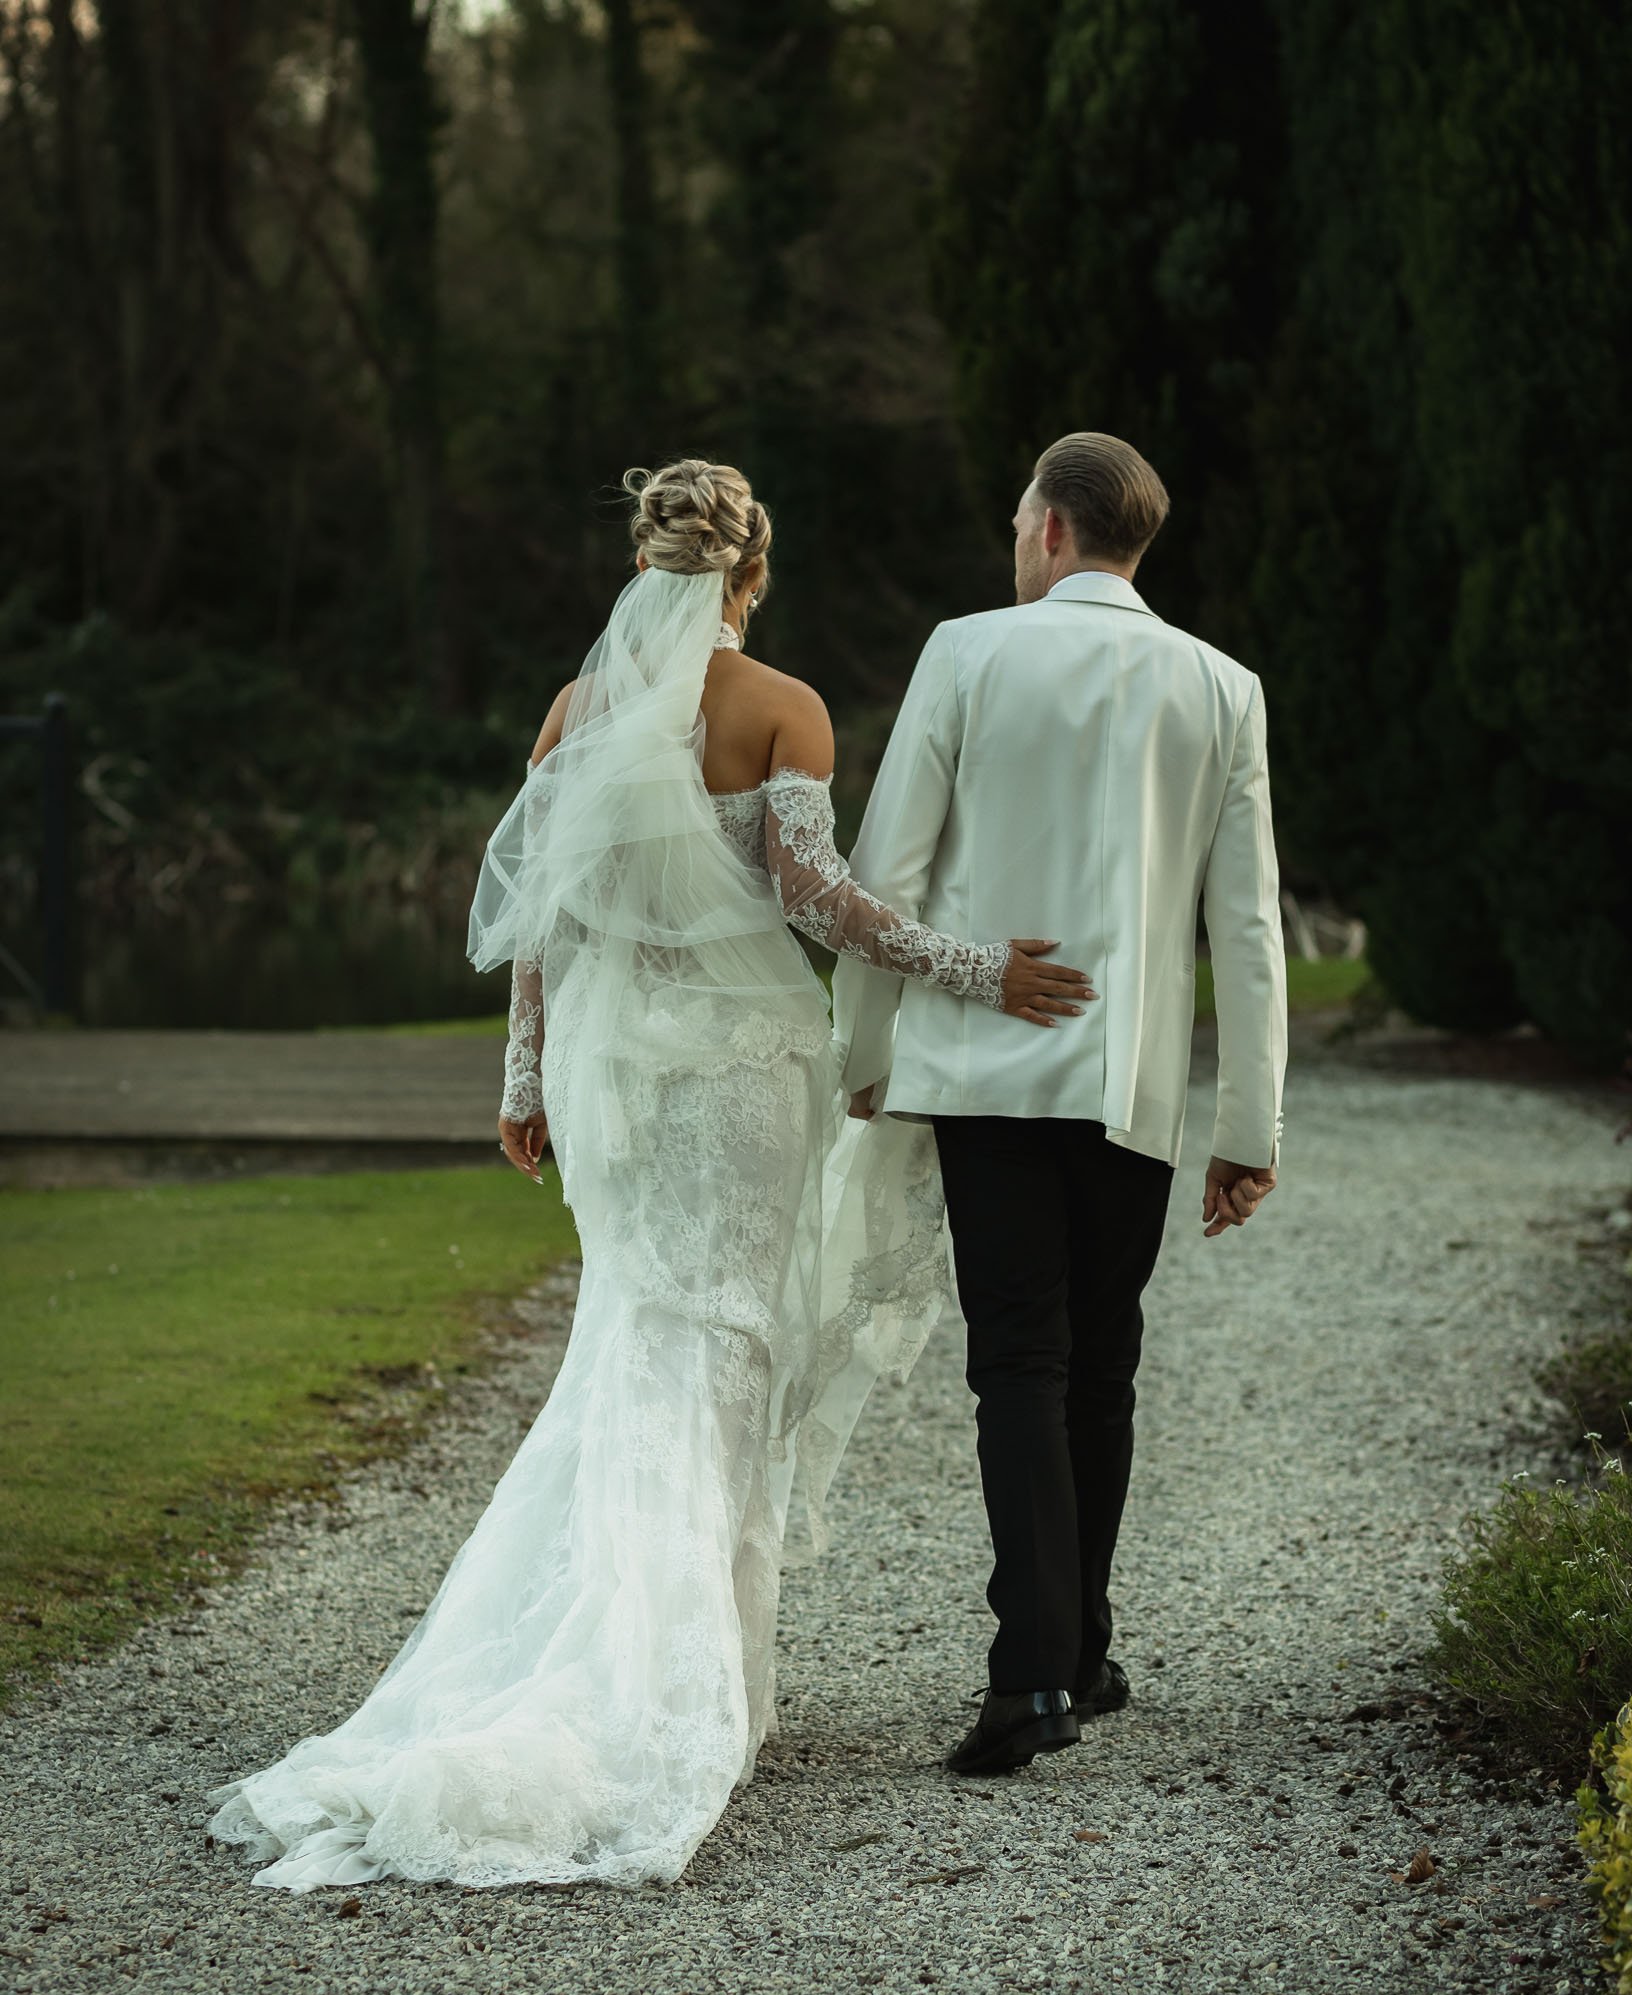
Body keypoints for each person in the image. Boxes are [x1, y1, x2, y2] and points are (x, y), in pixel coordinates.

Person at [205, 458, 1088, 1890]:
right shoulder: (780, 708)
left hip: (610, 1078)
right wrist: (977, 968)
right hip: (740, 1072)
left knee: (635, 1339)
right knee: (720, 1350)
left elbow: (543, 920)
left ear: (645, 559)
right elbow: (818, 903)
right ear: (754, 572)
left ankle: (677, 1662)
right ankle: (663, 1685)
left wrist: (519, 1081)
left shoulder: (580, 709)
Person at [833, 431, 1289, 1777]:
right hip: (1129, 1082)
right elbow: (1247, 930)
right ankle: (1074, 1651)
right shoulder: (1221, 688)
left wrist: (864, 1047)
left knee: (1018, 1363)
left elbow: (886, 864)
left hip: (984, 1069)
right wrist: (1245, 1132)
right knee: (1102, 1362)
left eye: (1016, 514)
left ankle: (1032, 1676)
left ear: (1046, 530)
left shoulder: (967, 652)